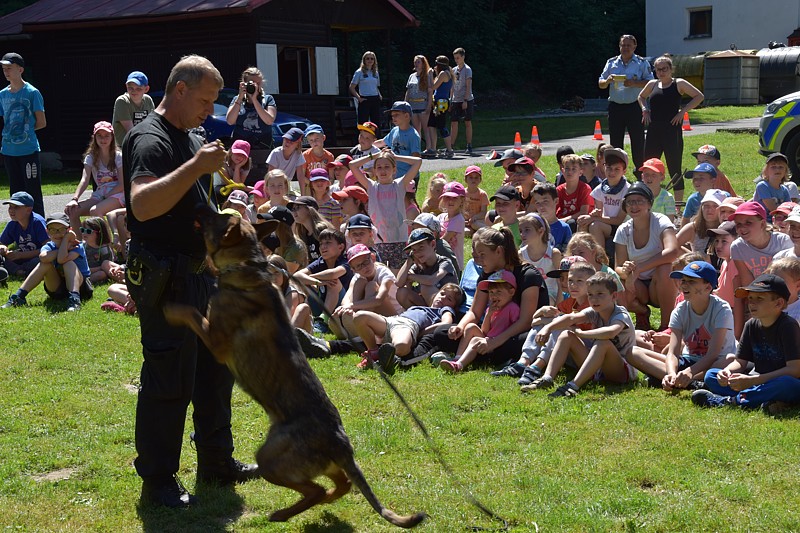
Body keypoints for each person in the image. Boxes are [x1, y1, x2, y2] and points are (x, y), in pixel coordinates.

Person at [122, 55, 257, 508]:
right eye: (204, 100)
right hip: (167, 279)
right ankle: (158, 481)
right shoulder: (149, 139)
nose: (210, 111)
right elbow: (141, 207)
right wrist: (196, 166)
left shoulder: (190, 135)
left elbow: (190, 204)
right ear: (179, 89)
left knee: (216, 372)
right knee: (169, 379)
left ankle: (217, 462)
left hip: (200, 274)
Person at [412, 227, 547, 367]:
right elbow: (475, 312)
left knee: (524, 340)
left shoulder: (528, 275)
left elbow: (525, 322)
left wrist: (494, 342)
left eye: (482, 255)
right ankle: (476, 356)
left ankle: (478, 355)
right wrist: (460, 327)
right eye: (477, 255)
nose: (478, 261)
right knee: (442, 332)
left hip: (519, 333)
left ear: (499, 251)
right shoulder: (487, 274)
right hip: (492, 332)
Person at [693, 274, 800, 411]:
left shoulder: (788, 326)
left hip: (782, 382)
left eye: (759, 298)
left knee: (786, 384)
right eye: (750, 298)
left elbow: (794, 370)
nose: (752, 303)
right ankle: (765, 400)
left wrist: (753, 381)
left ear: (778, 303)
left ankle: (729, 401)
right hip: (757, 381)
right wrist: (726, 372)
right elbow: (740, 362)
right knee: (711, 375)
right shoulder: (751, 325)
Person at [524, 272, 637, 397]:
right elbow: (571, 318)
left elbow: (611, 332)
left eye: (600, 294)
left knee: (603, 343)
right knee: (566, 334)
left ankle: (573, 386)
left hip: (621, 370)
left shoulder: (620, 314)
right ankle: (547, 378)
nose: (594, 299)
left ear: (614, 296)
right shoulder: (594, 310)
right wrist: (548, 328)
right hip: (598, 368)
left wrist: (582, 334)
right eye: (590, 295)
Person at [628, 260, 735, 391]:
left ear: (708, 287)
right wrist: (672, 372)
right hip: (687, 360)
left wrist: (690, 372)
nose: (684, 285)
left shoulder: (721, 309)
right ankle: (685, 382)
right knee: (633, 352)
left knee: (730, 359)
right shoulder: (680, 309)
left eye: (691, 281)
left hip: (713, 363)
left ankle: (684, 380)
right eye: (683, 281)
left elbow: (713, 354)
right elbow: (673, 352)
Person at [614, 182, 679, 331]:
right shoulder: (623, 230)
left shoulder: (661, 221)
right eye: (630, 202)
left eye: (639, 201)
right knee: (616, 283)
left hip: (660, 283)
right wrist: (626, 270)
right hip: (637, 284)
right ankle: (641, 312)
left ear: (649, 203)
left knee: (665, 268)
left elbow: (673, 251)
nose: (634, 205)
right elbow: (617, 267)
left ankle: (666, 326)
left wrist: (639, 268)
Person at [638, 55, 704, 203]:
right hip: (654, 130)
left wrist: (682, 112)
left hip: (672, 131)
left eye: (664, 69)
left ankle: (678, 205)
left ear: (670, 69)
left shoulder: (678, 83)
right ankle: (648, 200)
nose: (661, 72)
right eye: (658, 69)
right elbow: (641, 97)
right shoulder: (652, 84)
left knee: (674, 167)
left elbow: (699, 96)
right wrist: (645, 109)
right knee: (648, 166)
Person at [353, 283, 462, 371]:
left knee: (401, 346)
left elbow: (446, 323)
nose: (443, 298)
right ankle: (373, 352)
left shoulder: (443, 310)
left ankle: (382, 359)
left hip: (407, 326)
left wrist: (422, 332)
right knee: (360, 316)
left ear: (454, 306)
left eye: (449, 299)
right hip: (392, 320)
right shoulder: (421, 306)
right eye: (442, 293)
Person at [1, 212, 92, 312]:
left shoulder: (77, 245)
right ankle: (18, 297)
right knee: (45, 264)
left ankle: (74, 300)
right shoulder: (49, 246)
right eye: (53, 230)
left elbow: (62, 259)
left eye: (61, 229)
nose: (57, 234)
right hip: (58, 289)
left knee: (68, 263)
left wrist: (66, 239)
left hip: (81, 288)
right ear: (47, 232)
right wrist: (64, 248)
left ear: (69, 230)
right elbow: (43, 258)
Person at [349, 150, 421, 270]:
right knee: (381, 275)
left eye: (387, 167)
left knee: (398, 276)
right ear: (375, 171)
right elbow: (352, 165)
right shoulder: (371, 187)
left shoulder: (399, 185)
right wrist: (374, 156)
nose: (383, 171)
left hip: (400, 240)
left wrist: (395, 156)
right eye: (379, 167)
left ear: (394, 169)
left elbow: (418, 162)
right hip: (379, 241)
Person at [440, 270, 519, 372]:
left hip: (500, 344)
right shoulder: (491, 308)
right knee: (470, 327)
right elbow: (485, 331)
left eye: (498, 292)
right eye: (491, 292)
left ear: (511, 292)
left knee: (475, 340)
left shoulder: (512, 308)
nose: (494, 296)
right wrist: (489, 314)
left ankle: (459, 365)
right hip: (487, 340)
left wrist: (495, 340)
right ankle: (458, 358)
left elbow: (516, 329)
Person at [598, 35, 653, 176]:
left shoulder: (641, 63)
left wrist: (634, 83)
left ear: (634, 47)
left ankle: (640, 172)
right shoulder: (611, 63)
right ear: (619, 46)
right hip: (616, 106)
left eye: (628, 45)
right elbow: (600, 84)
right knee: (615, 141)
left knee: (638, 140)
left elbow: (651, 83)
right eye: (623, 45)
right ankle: (617, 172)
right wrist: (608, 80)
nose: (625, 48)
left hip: (634, 106)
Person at [0, 52, 46, 216]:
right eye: (4, 69)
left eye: (9, 68)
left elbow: (41, 122)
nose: (6, 72)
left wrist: (23, 133)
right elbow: (6, 121)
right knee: (15, 193)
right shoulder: (2, 94)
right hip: (9, 151)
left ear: (20, 69)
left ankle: (39, 226)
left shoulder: (32, 92)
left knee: (32, 191)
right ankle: (19, 228)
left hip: (28, 151)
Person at [329, 243, 403, 343]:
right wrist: (344, 309)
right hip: (373, 315)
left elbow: (379, 300)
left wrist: (351, 306)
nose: (364, 268)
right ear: (353, 270)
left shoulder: (384, 272)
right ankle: (353, 321)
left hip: (393, 317)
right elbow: (347, 299)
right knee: (360, 282)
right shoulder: (358, 277)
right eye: (359, 266)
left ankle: (358, 327)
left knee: (371, 286)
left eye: (366, 262)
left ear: (373, 258)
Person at [65, 121, 125, 231]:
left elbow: (122, 184)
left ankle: (104, 244)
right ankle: (81, 246)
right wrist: (75, 199)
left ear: (112, 137)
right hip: (101, 193)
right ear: (94, 138)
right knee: (72, 211)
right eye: (100, 136)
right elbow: (85, 179)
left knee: (95, 211)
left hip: (118, 194)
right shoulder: (91, 157)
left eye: (107, 136)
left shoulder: (118, 156)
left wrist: (106, 196)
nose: (103, 139)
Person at [578, 147, 630, 254]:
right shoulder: (600, 188)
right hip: (606, 224)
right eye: (609, 168)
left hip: (623, 227)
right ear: (603, 167)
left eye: (617, 169)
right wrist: (594, 214)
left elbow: (619, 220)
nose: (612, 172)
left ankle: (600, 259)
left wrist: (595, 218)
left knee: (594, 226)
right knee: (582, 222)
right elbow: (599, 211)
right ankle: (580, 254)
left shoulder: (627, 190)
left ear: (624, 171)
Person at [396, 228, 458, 308]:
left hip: (447, 303)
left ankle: (434, 316)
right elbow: (398, 283)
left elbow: (431, 280)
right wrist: (409, 261)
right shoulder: (419, 265)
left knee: (426, 287)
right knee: (401, 292)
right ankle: (418, 316)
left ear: (433, 244)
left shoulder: (445, 262)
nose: (417, 252)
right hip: (429, 303)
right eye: (414, 250)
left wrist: (411, 276)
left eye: (421, 247)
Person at [225, 66, 277, 151]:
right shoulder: (237, 99)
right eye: (252, 83)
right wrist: (240, 97)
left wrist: (254, 99)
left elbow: (269, 120)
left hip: (263, 146)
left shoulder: (267, 99)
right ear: (244, 83)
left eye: (258, 83)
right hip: (240, 148)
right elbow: (230, 121)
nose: (255, 86)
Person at [0, 191, 48, 278]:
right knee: (3, 258)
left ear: (28, 210)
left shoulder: (37, 222)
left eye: (16, 207)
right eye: (10, 207)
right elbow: (1, 242)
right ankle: (19, 271)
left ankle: (18, 271)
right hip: (21, 258)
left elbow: (48, 248)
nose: (11, 210)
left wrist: (21, 255)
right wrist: (3, 247)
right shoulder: (13, 224)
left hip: (37, 257)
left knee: (40, 261)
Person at [374, 101, 421, 179]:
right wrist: (367, 145)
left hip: (408, 177)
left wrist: (395, 157)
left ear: (406, 116)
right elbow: (382, 142)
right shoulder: (394, 130)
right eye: (392, 115)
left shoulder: (413, 135)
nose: (393, 117)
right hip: (395, 176)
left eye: (396, 115)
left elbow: (416, 159)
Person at [112, 70, 154, 147]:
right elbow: (131, 131)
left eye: (138, 89)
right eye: (130, 88)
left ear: (146, 89)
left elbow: (152, 125)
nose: (134, 91)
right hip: (123, 148)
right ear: (126, 87)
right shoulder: (122, 101)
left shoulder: (148, 100)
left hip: (143, 145)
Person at [556, 154, 593, 234]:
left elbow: (583, 212)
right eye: (567, 168)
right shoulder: (559, 190)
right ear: (562, 170)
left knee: (571, 223)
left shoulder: (585, 189)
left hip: (579, 222)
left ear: (580, 172)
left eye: (574, 169)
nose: (570, 172)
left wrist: (566, 219)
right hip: (562, 221)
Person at [405, 55, 434, 151]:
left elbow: (430, 92)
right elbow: (408, 91)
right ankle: (417, 148)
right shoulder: (411, 76)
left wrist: (429, 106)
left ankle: (429, 147)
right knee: (416, 129)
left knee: (425, 127)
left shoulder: (427, 76)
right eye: (415, 62)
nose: (416, 64)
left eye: (418, 62)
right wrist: (405, 103)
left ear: (423, 64)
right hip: (413, 105)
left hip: (423, 104)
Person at [427, 56, 454, 158]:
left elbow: (433, 86)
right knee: (431, 125)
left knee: (441, 126)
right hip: (437, 103)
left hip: (441, 104)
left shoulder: (443, 74)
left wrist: (430, 75)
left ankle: (450, 149)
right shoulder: (446, 73)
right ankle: (433, 148)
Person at [450, 47, 474, 155]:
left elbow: (468, 86)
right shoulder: (454, 70)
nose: (456, 60)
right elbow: (452, 86)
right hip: (456, 99)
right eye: (455, 58)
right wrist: (450, 100)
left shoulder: (467, 70)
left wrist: (465, 100)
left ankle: (469, 145)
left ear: (463, 57)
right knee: (454, 123)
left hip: (466, 99)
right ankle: (450, 146)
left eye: (458, 58)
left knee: (467, 122)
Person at [753, 153, 791, 222]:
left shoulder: (784, 190)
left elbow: (789, 207)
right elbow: (773, 209)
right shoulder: (762, 186)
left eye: (781, 167)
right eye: (773, 167)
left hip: (779, 221)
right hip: (762, 222)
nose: (777, 170)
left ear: (785, 171)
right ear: (766, 171)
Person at [266, 127, 306, 193]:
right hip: (274, 184)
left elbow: (300, 175)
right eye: (286, 139)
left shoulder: (298, 154)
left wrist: (303, 194)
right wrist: (269, 192)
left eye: (291, 141)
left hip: (287, 185)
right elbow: (270, 175)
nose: (287, 142)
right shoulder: (276, 153)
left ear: (297, 145)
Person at [438, 181, 466, 270]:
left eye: (454, 198)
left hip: (454, 264)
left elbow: (444, 241)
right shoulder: (441, 217)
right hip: (441, 262)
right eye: (447, 197)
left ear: (462, 200)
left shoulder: (458, 219)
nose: (450, 201)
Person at [349, 51, 382, 125]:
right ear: (364, 60)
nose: (370, 60)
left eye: (372, 59)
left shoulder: (375, 72)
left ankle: (376, 136)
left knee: (376, 123)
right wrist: (359, 98)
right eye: (368, 58)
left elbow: (376, 86)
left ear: (374, 60)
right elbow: (351, 87)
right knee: (363, 122)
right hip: (364, 99)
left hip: (375, 99)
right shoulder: (359, 72)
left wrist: (379, 95)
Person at [463, 165, 489, 233]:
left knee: (475, 224)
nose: (473, 180)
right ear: (465, 179)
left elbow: (483, 212)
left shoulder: (482, 194)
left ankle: (488, 230)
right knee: (465, 232)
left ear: (480, 180)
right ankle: (474, 232)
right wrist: (463, 220)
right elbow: (458, 209)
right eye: (471, 177)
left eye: (476, 178)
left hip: (478, 220)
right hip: (465, 221)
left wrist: (475, 218)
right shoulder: (462, 194)